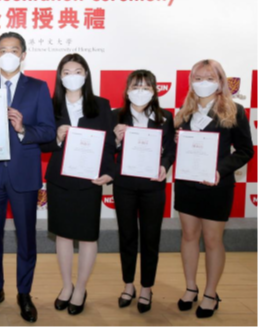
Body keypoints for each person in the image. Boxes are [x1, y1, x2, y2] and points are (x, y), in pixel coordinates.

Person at [0, 32, 56, 323]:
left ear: (23, 55)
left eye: (14, 49)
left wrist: (23, 129)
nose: (8, 54)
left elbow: (48, 131)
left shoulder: (38, 87)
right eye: (3, 49)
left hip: (24, 175)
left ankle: (24, 293)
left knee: (26, 239)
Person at [174, 59, 253, 318]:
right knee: (188, 236)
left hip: (217, 185)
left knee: (212, 239)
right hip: (186, 184)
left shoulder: (235, 111)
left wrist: (220, 170)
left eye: (209, 78)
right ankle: (190, 288)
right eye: (197, 78)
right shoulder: (184, 112)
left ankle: (210, 293)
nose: (203, 83)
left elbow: (245, 151)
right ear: (191, 82)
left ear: (220, 81)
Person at [41, 53, 116, 316]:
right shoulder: (50, 106)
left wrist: (109, 173)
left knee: (87, 236)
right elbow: (42, 144)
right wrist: (57, 138)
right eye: (66, 71)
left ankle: (81, 288)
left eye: (78, 70)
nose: (72, 76)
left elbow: (109, 145)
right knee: (62, 234)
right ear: (60, 77)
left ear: (86, 74)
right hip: (60, 179)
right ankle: (65, 286)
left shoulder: (101, 105)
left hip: (90, 179)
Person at [111, 70, 175, 313]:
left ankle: (147, 287)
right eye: (136, 86)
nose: (140, 91)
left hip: (153, 186)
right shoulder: (116, 116)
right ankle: (128, 285)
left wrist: (164, 166)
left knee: (150, 238)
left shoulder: (166, 118)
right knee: (127, 236)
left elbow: (170, 151)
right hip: (124, 186)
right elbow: (107, 151)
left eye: (146, 87)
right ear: (127, 90)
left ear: (154, 91)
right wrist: (116, 141)